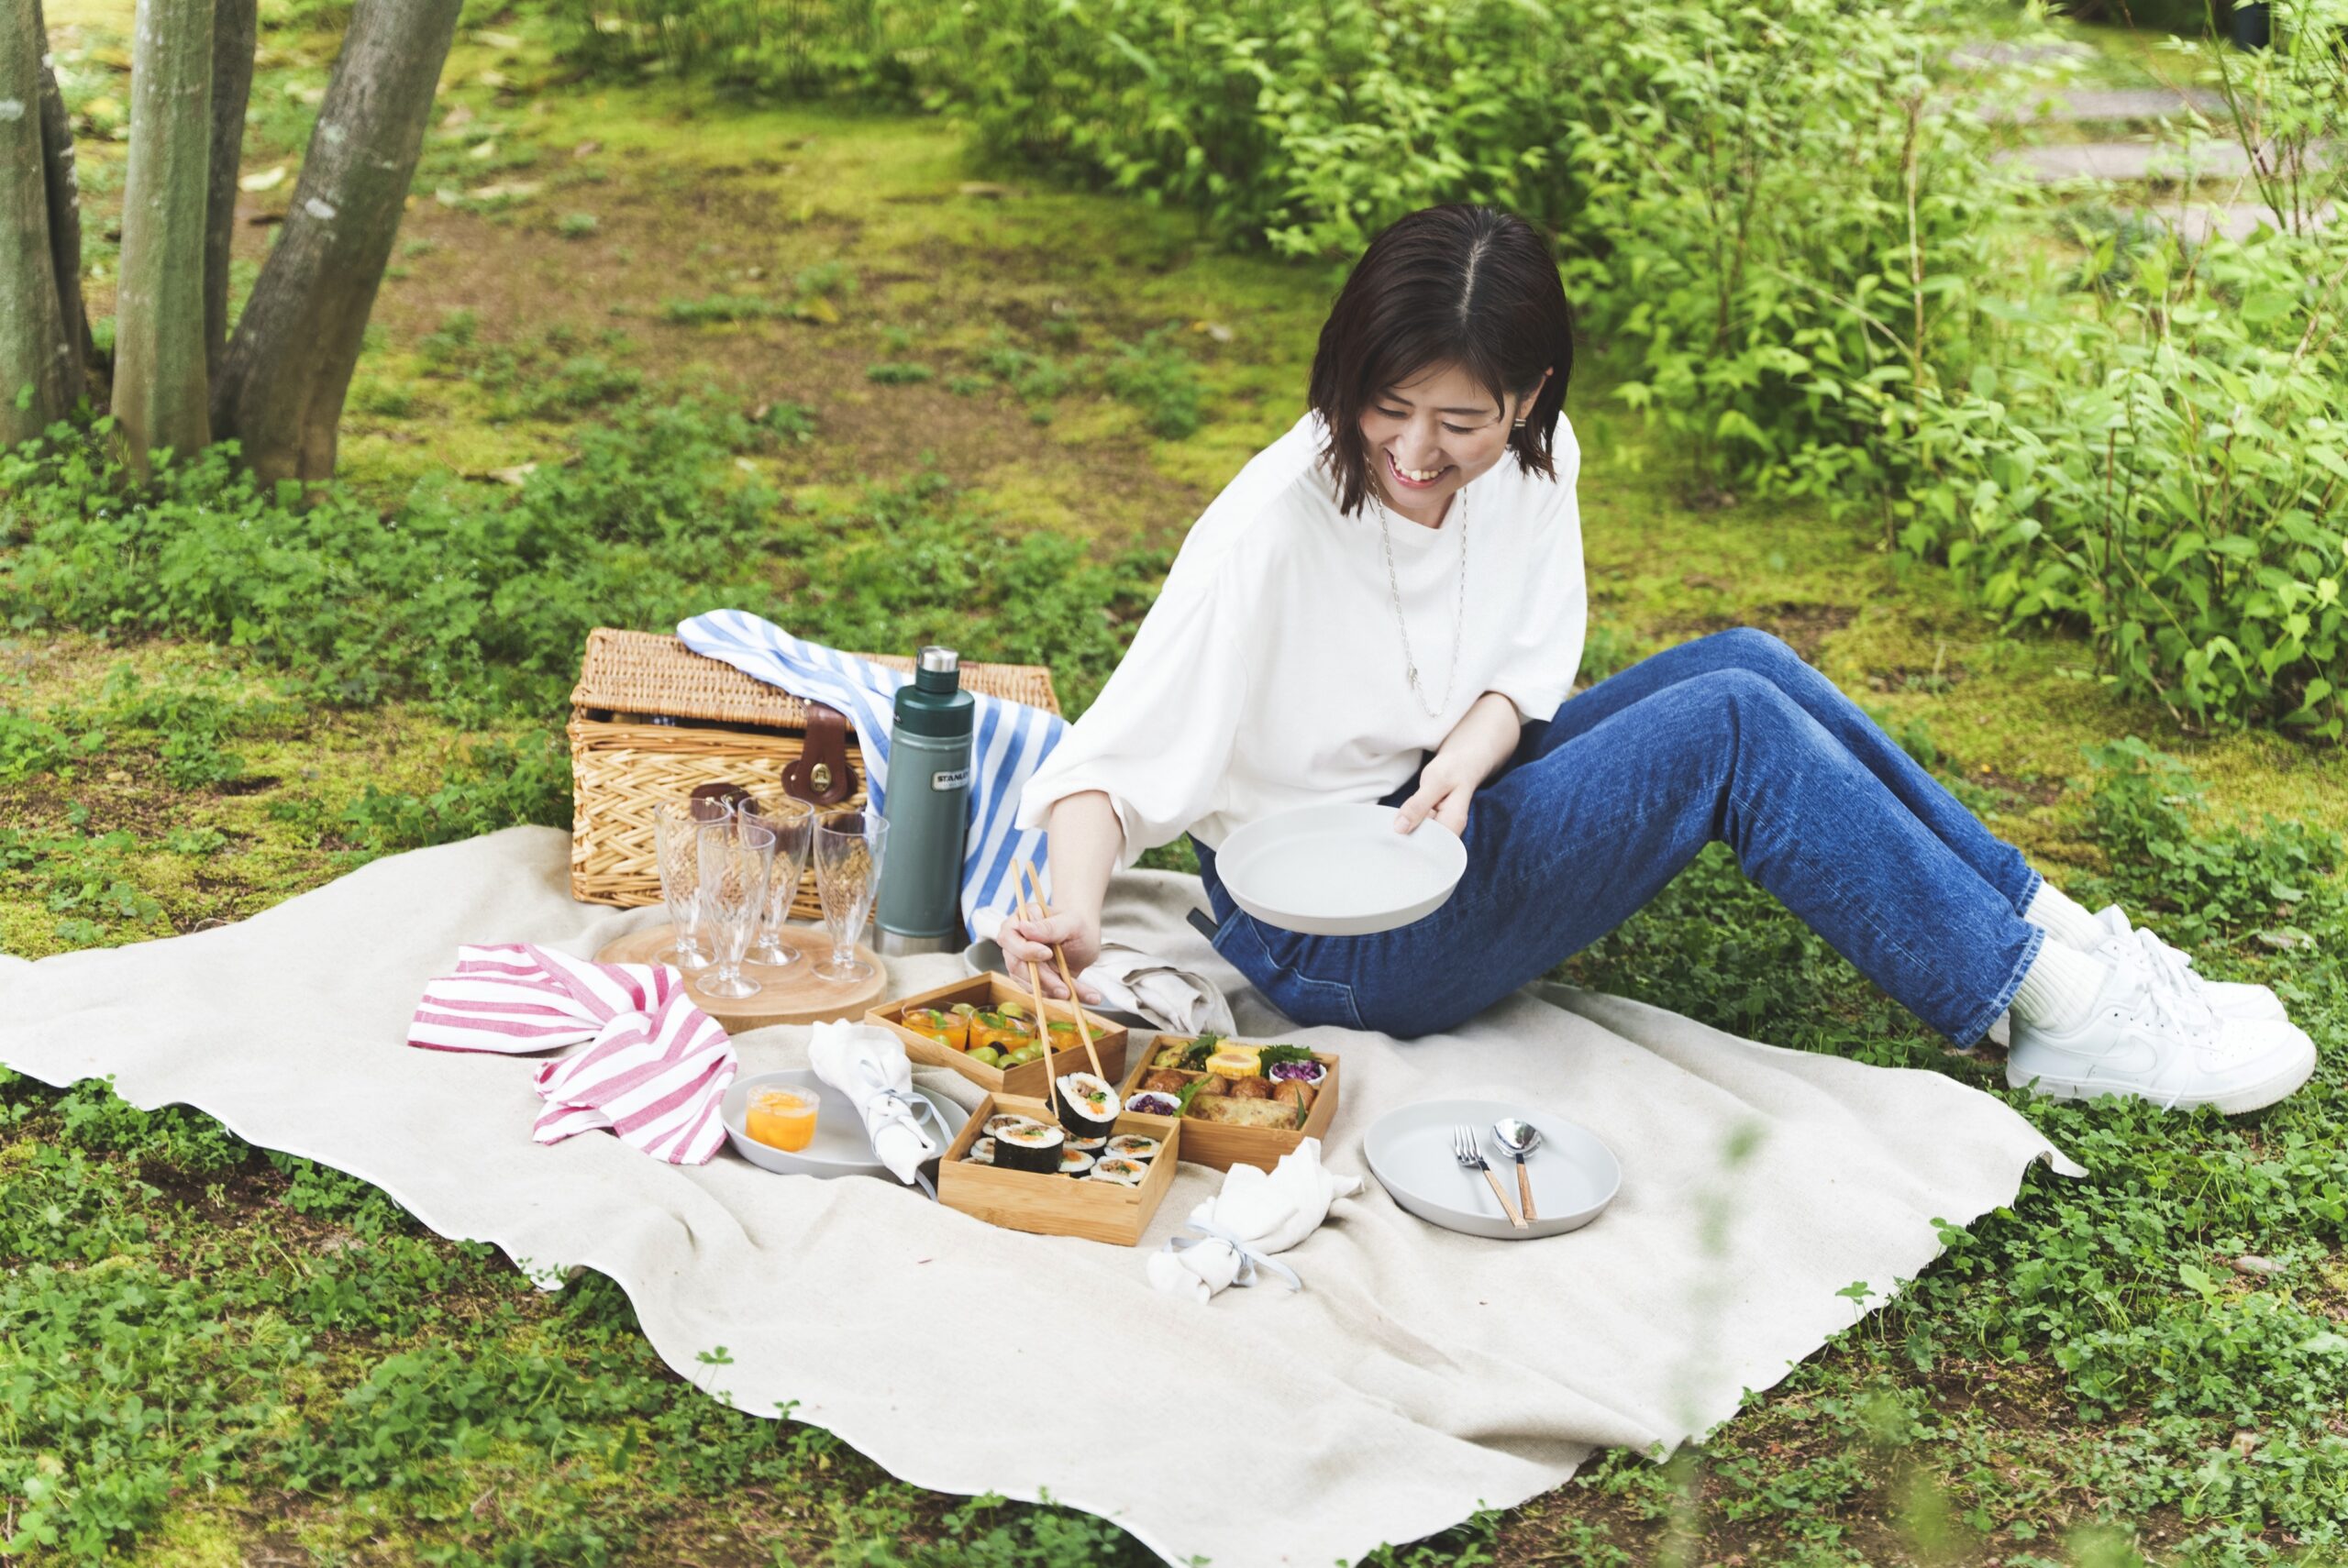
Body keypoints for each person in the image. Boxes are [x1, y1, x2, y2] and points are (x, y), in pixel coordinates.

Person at [1000, 202, 2318, 1115]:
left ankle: (2056, 944)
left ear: (1529, 396)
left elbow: (1524, 664)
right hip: (1335, 941)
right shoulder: (1270, 527)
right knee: (1730, 725)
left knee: (1745, 659)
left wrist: (1465, 760)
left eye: (1458, 420)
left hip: (1429, 823)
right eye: (1385, 408)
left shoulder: (1535, 462)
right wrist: (1071, 902)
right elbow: (1101, 775)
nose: (1412, 452)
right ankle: (2042, 1002)